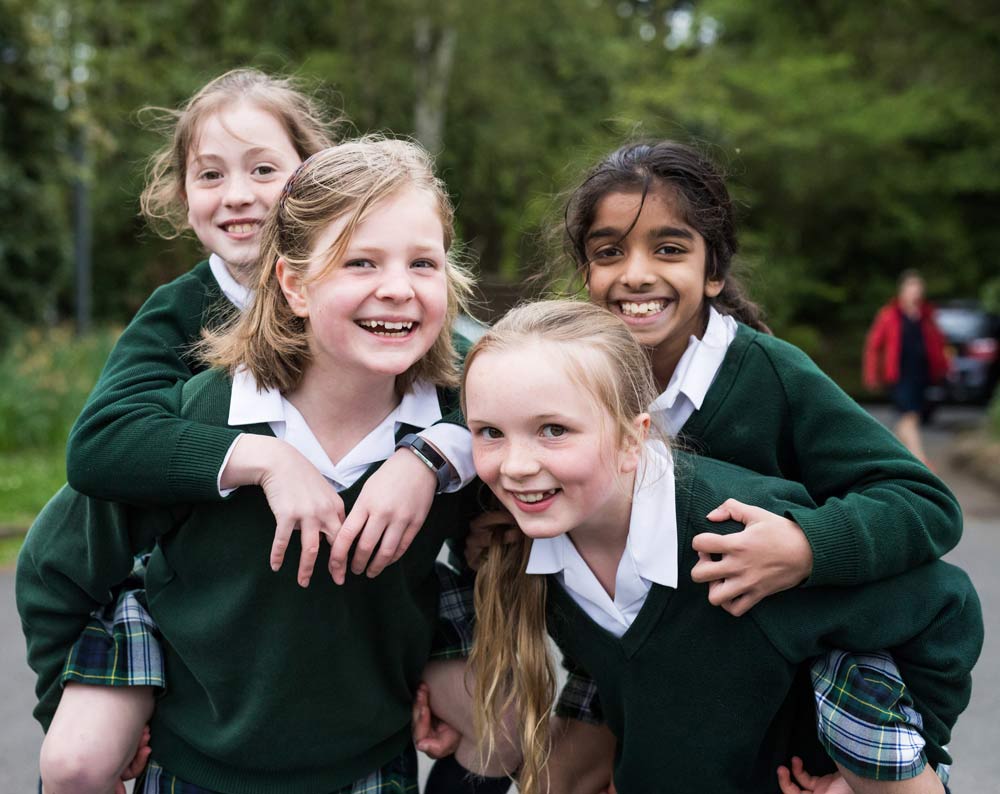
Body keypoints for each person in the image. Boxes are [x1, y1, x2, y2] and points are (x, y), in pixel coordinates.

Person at [416, 141, 965, 792]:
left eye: (669, 249)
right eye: (609, 251)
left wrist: (805, 546)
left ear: (714, 272)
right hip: (650, 651)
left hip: (780, 633)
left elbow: (922, 506)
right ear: (585, 272)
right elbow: (504, 436)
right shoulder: (561, 384)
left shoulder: (769, 376)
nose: (637, 274)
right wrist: (498, 520)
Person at [29, 68, 477, 794]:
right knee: (75, 763)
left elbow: (507, 380)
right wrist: (260, 456)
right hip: (209, 655)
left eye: (263, 168)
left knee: (509, 728)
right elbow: (102, 446)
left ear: (312, 174)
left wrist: (430, 452)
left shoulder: (411, 325)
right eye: (210, 174)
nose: (238, 194)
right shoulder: (183, 324)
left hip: (357, 698)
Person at [462, 300, 981, 794]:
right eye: (489, 432)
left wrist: (893, 764)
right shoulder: (537, 546)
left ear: (630, 440)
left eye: (553, 430)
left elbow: (944, 603)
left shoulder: (739, 543)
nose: (515, 466)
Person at [863, 270, 949, 465]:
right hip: (899, 374)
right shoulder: (889, 315)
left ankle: (886, 456)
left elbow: (938, 343)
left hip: (921, 373)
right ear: (902, 290)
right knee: (909, 416)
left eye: (918, 288)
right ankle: (921, 460)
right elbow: (873, 346)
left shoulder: (926, 315)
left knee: (909, 418)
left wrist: (943, 367)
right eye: (911, 288)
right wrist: (871, 374)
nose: (915, 293)